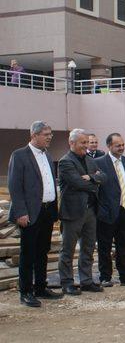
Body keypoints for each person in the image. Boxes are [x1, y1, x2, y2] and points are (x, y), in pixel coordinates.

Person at [8, 121, 63, 307]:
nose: (49, 137)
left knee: (42, 252)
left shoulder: (47, 155)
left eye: (50, 134)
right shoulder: (20, 155)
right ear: (34, 135)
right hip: (30, 213)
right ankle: (25, 292)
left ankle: (41, 287)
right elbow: (15, 188)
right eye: (46, 134)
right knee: (28, 254)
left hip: (47, 211)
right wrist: (20, 212)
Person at [57, 128, 106, 295]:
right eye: (82, 143)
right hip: (73, 212)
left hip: (90, 211)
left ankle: (86, 281)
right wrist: (94, 180)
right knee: (68, 249)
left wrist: (92, 177)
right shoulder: (65, 162)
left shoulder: (89, 160)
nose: (86, 146)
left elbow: (104, 177)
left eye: (87, 142)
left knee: (88, 248)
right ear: (72, 143)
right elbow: (78, 183)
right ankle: (67, 282)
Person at [94, 133, 125, 287]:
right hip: (107, 211)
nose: (121, 148)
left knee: (123, 244)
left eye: (122, 145)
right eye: (117, 145)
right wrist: (100, 209)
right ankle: (105, 276)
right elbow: (97, 189)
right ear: (109, 146)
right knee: (105, 245)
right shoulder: (99, 162)